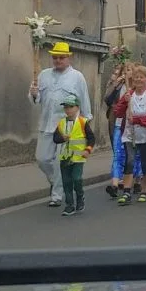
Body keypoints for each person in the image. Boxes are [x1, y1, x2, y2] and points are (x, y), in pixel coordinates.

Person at [29, 42, 92, 207]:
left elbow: (84, 99)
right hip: (46, 123)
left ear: (68, 58)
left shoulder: (77, 77)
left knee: (58, 162)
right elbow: (36, 100)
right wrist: (34, 94)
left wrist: (86, 121)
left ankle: (56, 196)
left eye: (61, 58)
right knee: (42, 159)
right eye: (55, 58)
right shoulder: (43, 75)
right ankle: (54, 181)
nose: (58, 61)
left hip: (67, 127)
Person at [112, 65, 146, 204]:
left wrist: (138, 120)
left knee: (145, 164)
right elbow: (117, 112)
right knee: (129, 161)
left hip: (145, 136)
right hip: (129, 134)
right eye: (136, 77)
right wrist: (124, 103)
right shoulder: (129, 94)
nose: (138, 80)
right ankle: (127, 192)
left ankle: (145, 191)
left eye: (141, 77)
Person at [52, 95, 95, 216]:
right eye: (66, 107)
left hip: (78, 157)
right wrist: (61, 138)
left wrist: (88, 149)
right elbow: (55, 138)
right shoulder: (61, 123)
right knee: (66, 182)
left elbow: (91, 138)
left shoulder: (82, 122)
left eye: (71, 107)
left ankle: (80, 196)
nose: (68, 110)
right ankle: (69, 205)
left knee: (77, 178)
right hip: (65, 157)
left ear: (77, 108)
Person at [103, 62, 134, 200]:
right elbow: (108, 100)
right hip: (118, 123)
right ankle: (115, 184)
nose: (127, 73)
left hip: (133, 126)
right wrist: (116, 85)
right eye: (125, 70)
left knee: (131, 156)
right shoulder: (120, 86)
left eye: (130, 70)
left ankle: (135, 179)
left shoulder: (138, 87)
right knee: (117, 154)